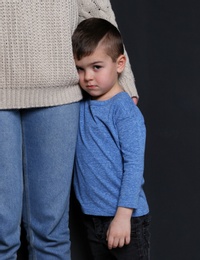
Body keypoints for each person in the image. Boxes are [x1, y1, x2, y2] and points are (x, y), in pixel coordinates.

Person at [0, 1, 138, 259]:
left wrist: (123, 80)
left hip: (59, 87)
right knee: (1, 232)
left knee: (50, 232)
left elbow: (95, 7)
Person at [72, 18, 151, 260]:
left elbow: (134, 166)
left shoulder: (124, 111)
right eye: (80, 68)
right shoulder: (82, 104)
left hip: (125, 218)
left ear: (119, 64)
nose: (88, 77)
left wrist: (123, 216)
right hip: (92, 217)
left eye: (96, 67)